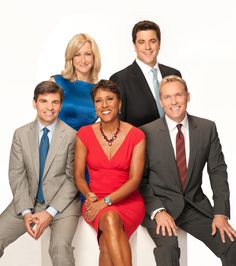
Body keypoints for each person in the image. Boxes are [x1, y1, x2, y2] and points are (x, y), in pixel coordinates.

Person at [140, 75, 236, 266]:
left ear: (188, 97)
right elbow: (140, 180)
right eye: (167, 97)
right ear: (161, 101)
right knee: (168, 249)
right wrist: (157, 210)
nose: (173, 102)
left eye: (178, 95)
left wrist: (220, 213)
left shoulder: (207, 128)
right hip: (160, 205)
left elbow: (217, 171)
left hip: (193, 205)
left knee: (231, 245)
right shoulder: (146, 133)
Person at [0, 81, 80, 266]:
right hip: (27, 201)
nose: (49, 107)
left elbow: (72, 180)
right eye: (44, 101)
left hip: (62, 206)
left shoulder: (71, 136)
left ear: (61, 105)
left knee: (60, 249)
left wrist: (49, 213)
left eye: (55, 102)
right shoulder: (21, 134)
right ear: (34, 103)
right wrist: (27, 211)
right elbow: (16, 174)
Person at [74, 79, 145, 266]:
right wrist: (88, 195)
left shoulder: (136, 135)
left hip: (128, 202)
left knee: (107, 237)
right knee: (110, 220)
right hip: (94, 200)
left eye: (110, 99)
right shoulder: (84, 133)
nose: (104, 105)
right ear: (94, 106)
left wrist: (105, 203)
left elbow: (134, 180)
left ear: (119, 103)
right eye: (98, 101)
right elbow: (79, 176)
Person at [110, 20, 182, 127]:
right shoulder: (120, 80)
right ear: (134, 46)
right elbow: (117, 125)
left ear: (159, 44)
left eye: (152, 41)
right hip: (140, 142)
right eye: (141, 42)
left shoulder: (173, 74)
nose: (147, 47)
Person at [50, 33, 101, 131]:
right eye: (77, 55)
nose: (83, 60)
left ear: (94, 57)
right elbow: (41, 120)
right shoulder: (57, 82)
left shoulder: (99, 89)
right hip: (56, 143)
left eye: (88, 54)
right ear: (71, 58)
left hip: (83, 144)